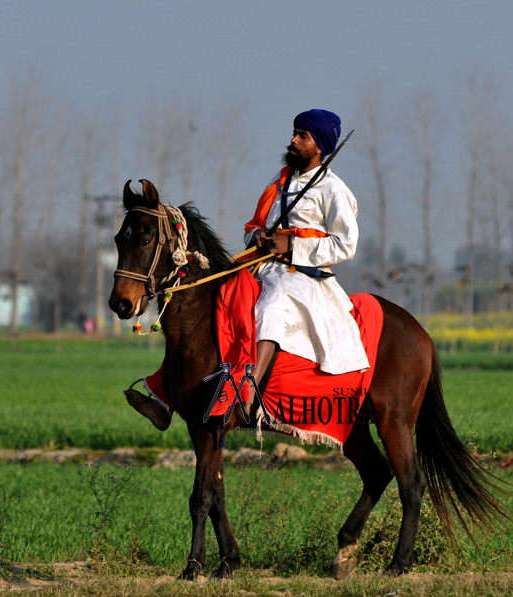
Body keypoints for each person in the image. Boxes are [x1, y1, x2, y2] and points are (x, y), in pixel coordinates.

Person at [126, 109, 367, 429]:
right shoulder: (279, 181)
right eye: (294, 133)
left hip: (303, 278)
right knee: (209, 304)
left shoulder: (334, 190)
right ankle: (164, 394)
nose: (293, 140)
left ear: (319, 146)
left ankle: (244, 393)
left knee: (271, 306)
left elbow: (345, 245)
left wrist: (292, 246)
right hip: (262, 269)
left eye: (302, 136)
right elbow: (253, 225)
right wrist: (258, 236)